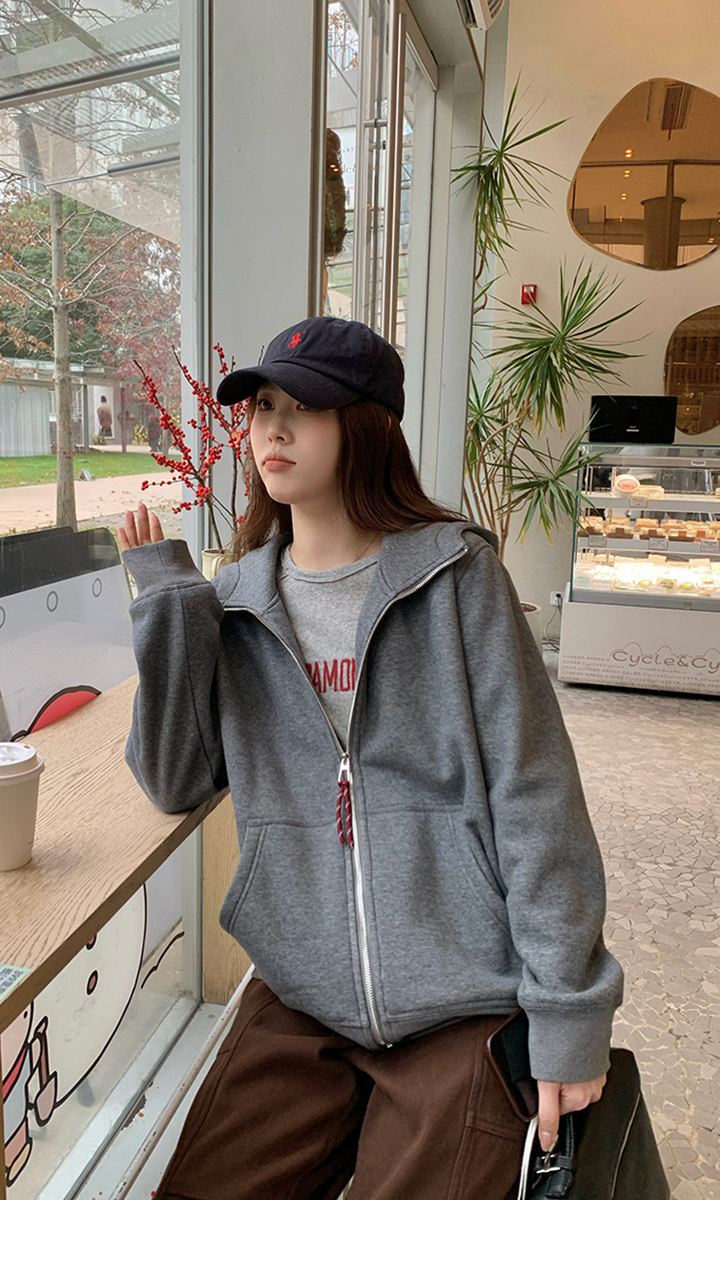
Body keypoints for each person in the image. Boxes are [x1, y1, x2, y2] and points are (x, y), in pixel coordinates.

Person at [118, 316, 623, 1200]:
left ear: (369, 425)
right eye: (261, 407)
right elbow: (173, 779)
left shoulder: (456, 580)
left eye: (305, 408)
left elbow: (536, 795)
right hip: (300, 994)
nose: (273, 429)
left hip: (465, 996)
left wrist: (568, 1015)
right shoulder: (233, 604)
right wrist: (169, 608)